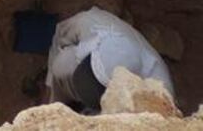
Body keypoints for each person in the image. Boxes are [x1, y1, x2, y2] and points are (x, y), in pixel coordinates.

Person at [47, 7, 175, 112]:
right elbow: (59, 35)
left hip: (125, 109)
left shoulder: (159, 93)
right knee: (61, 63)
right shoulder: (89, 23)